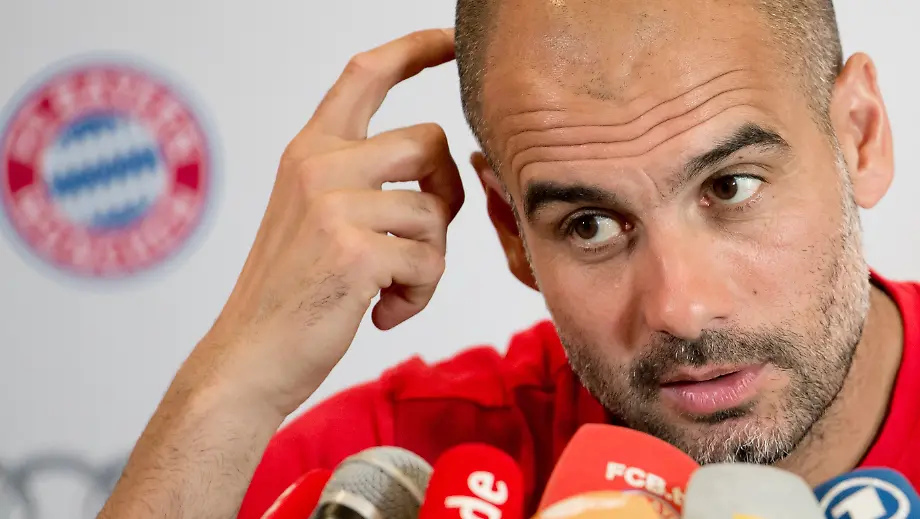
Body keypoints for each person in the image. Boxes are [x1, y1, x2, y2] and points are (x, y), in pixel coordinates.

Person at [96, 1, 920, 518]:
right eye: (590, 225)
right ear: (511, 228)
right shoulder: (392, 473)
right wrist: (236, 381)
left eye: (731, 186)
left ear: (861, 136)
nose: (680, 306)